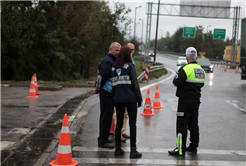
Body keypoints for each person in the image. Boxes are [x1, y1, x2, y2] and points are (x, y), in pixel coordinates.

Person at [168, 47, 206, 156]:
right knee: (193, 124)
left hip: (185, 101)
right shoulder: (201, 69)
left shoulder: (185, 69)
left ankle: (180, 149)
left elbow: (176, 82)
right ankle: (193, 147)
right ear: (196, 57)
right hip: (196, 100)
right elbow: (202, 83)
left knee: (181, 124)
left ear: (186, 57)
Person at [111, 46, 142, 158]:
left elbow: (113, 87)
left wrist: (114, 100)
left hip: (118, 100)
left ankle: (117, 149)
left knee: (118, 124)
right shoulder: (130, 67)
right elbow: (135, 84)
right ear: (127, 55)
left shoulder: (113, 68)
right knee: (132, 124)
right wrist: (139, 100)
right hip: (130, 99)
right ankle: (133, 151)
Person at [93, 42, 121, 148]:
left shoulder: (110, 60)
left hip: (109, 93)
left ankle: (104, 138)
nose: (118, 52)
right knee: (106, 117)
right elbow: (102, 76)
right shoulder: (108, 61)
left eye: (119, 50)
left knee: (108, 117)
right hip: (107, 93)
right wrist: (98, 88)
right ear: (110, 50)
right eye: (116, 50)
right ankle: (102, 141)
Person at [114, 43, 135, 141]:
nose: (132, 52)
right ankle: (118, 136)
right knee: (120, 118)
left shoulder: (132, 62)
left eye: (133, 50)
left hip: (124, 96)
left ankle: (122, 132)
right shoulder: (122, 65)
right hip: (125, 96)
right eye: (130, 50)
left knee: (125, 116)